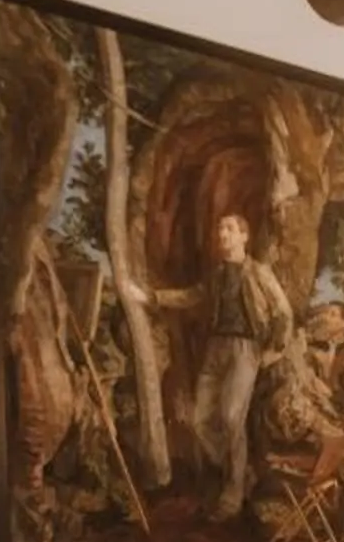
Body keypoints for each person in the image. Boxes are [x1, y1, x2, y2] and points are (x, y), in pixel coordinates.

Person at [123, 211, 294, 522]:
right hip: (215, 349)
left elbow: (283, 312)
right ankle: (239, 468)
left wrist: (273, 351)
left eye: (229, 228)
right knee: (199, 419)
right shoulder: (216, 276)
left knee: (231, 418)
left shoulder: (259, 273)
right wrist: (150, 297)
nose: (222, 234)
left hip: (245, 350)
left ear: (244, 236)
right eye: (220, 229)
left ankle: (233, 493)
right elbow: (190, 296)